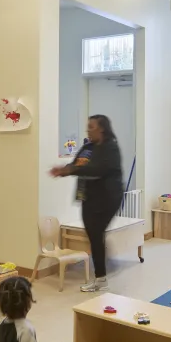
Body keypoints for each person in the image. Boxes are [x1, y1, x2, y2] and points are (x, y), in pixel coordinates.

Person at [49, 115, 123, 292]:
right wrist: (64, 170)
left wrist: (72, 169)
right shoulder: (87, 147)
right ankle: (101, 273)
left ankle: (100, 278)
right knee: (93, 234)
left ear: (101, 129)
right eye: (87, 127)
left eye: (91, 127)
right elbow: (77, 164)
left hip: (108, 198)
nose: (88, 130)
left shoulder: (110, 148)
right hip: (88, 197)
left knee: (96, 233)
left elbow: (98, 169)